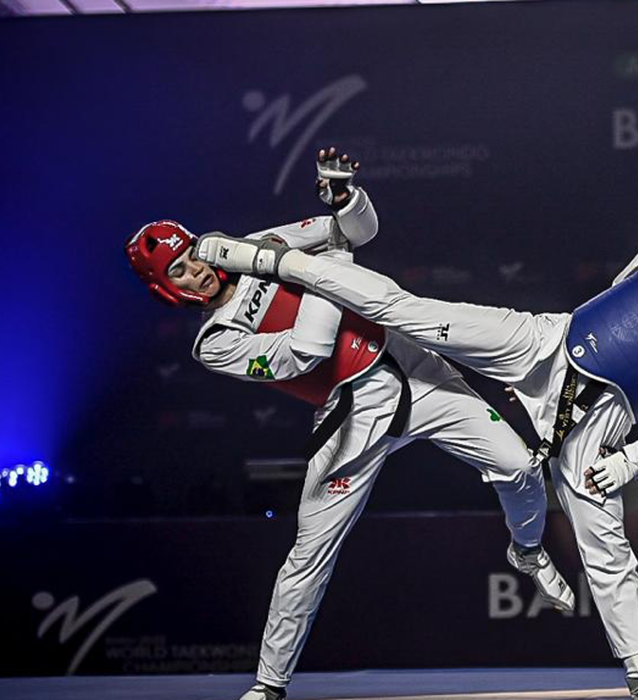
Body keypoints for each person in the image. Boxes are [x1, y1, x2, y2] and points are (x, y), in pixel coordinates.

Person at [196, 168, 638, 700]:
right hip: (543, 342)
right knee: (407, 309)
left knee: (606, 552)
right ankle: (267, 260)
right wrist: (542, 378)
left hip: (598, 425)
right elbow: (609, 311)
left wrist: (631, 461)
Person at [124, 149, 573, 700]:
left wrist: (345, 201)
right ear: (166, 289)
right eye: (178, 270)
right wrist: (324, 267)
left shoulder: (251, 247)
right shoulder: (215, 341)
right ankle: (269, 685)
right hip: (351, 414)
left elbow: (356, 231)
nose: (195, 269)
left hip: (414, 366)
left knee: (520, 467)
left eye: (192, 254)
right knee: (310, 553)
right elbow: (307, 352)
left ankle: (526, 551)